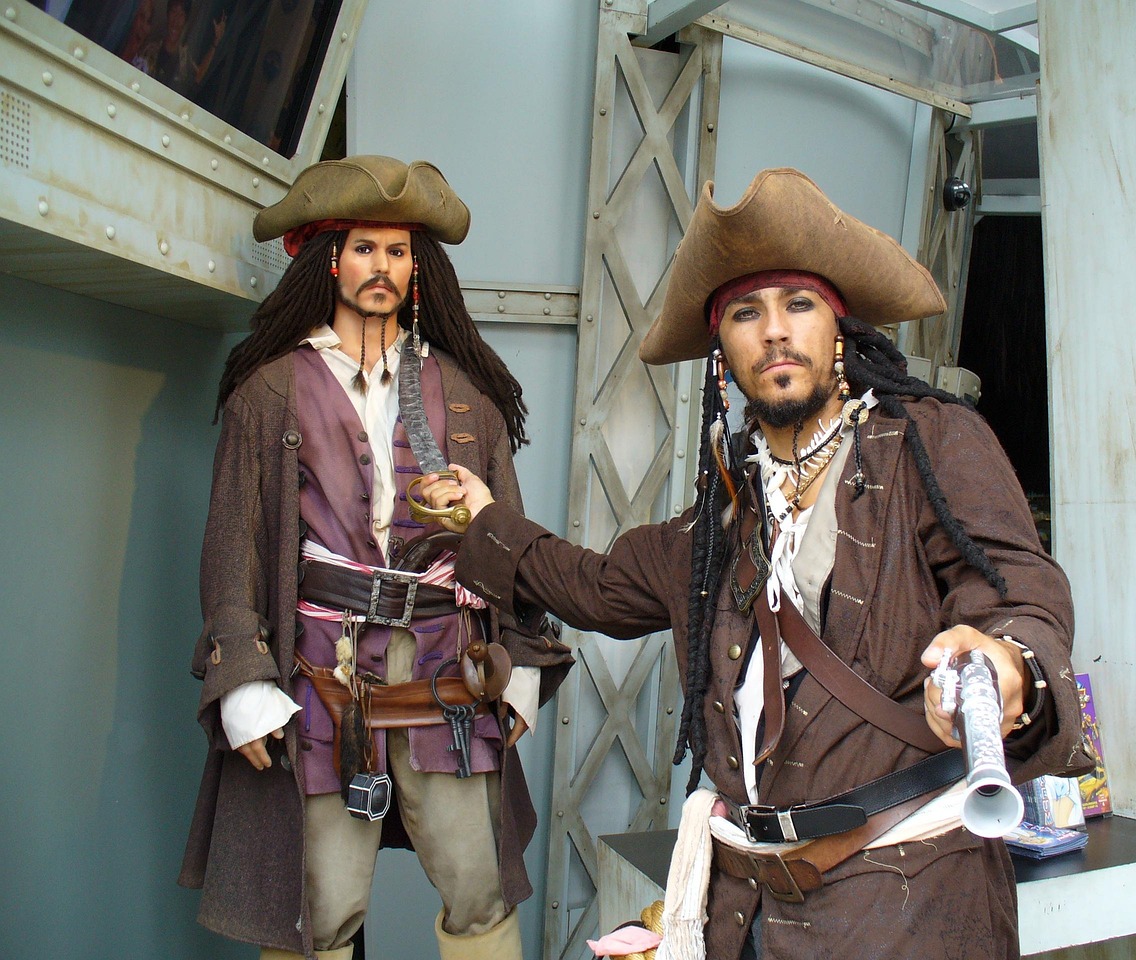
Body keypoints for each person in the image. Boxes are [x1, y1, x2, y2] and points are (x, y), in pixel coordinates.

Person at [424, 168, 1088, 959]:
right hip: (751, 909)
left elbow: (1017, 592)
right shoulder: (726, 509)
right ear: (721, 355)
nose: (774, 331)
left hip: (908, 903)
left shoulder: (927, 443)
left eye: (798, 304)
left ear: (839, 329)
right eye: (746, 313)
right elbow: (598, 588)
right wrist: (484, 520)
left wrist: (1006, 663)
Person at [178, 155, 572, 960]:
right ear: (330, 259)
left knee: (479, 886)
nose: (382, 266)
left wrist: (521, 658)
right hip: (323, 669)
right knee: (320, 901)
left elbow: (507, 534)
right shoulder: (270, 391)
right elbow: (231, 546)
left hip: (447, 668)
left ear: (417, 267)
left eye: (398, 251)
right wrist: (242, 677)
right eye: (365, 248)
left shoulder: (466, 394)